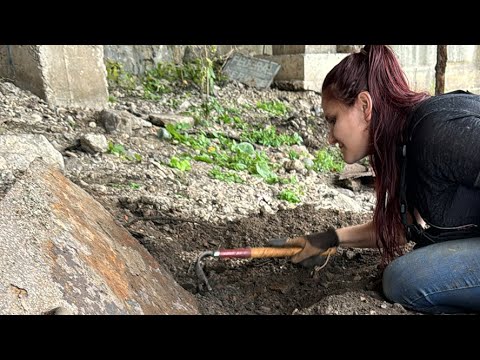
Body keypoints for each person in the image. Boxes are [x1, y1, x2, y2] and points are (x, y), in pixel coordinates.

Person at [269, 45, 480, 314]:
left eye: (332, 120)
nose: (329, 137)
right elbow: (401, 228)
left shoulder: (437, 132)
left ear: (365, 105)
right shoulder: (407, 143)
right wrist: (330, 238)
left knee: (406, 279)